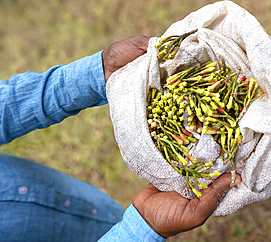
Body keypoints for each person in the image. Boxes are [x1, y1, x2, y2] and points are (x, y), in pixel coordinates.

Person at [0, 35, 241, 241]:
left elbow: (7, 108)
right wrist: (140, 231)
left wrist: (98, 72)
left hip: (64, 199)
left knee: (106, 216)